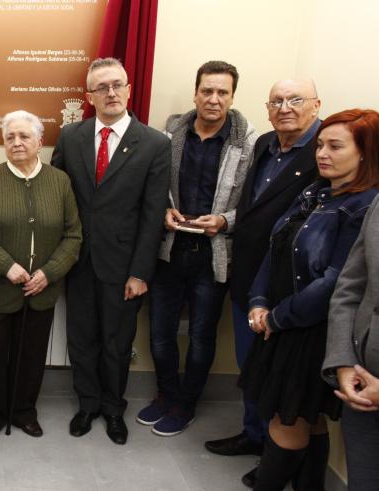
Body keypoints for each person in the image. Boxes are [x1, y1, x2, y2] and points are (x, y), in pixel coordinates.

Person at [239, 109, 379, 490]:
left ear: (365, 152)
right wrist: (258, 299)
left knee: (287, 421)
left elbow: (336, 282)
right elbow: (276, 247)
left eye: (335, 146)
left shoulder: (364, 206)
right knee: (309, 419)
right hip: (283, 321)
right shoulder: (316, 192)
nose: (322, 153)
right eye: (320, 145)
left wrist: (277, 317)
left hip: (311, 333)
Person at [204, 79, 322, 488]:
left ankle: (275, 458)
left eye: (295, 100)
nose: (284, 107)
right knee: (251, 366)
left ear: (316, 105)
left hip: (289, 290)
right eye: (276, 101)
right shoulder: (266, 144)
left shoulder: (322, 152)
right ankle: (253, 435)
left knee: (279, 378)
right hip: (250, 278)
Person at [51, 57, 171, 445]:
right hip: (78, 260)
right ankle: (87, 404)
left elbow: (154, 215)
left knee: (117, 344)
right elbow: (58, 196)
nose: (111, 92)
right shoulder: (71, 137)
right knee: (81, 338)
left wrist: (140, 272)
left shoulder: (154, 143)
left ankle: (113, 408)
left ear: (129, 89)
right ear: (90, 96)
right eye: (101, 87)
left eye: (117, 84)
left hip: (123, 266)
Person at [137, 61, 257, 437]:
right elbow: (152, 186)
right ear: (195, 93)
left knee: (203, 335)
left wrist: (225, 222)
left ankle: (186, 404)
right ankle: (166, 395)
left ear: (232, 97)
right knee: (161, 332)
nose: (214, 99)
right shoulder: (170, 133)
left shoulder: (249, 143)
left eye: (222, 92)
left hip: (213, 255)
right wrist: (163, 212)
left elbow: (254, 202)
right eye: (207, 90)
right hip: (170, 250)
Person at [0, 110, 82, 441]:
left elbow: (73, 235)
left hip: (41, 289)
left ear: (40, 142)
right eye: (9, 138)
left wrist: (50, 272)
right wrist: (6, 265)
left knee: (31, 356)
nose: (16, 143)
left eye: (24, 136)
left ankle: (23, 411)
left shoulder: (59, 181)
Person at [323, 110, 379, 491]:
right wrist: (344, 361)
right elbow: (349, 288)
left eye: (334, 146)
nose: (322, 153)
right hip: (358, 379)